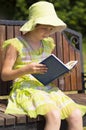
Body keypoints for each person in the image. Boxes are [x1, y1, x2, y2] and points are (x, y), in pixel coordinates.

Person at [1, 1, 86, 130]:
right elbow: (5, 75)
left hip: (48, 89)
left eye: (51, 29)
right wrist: (26, 69)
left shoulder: (47, 44)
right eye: (45, 28)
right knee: (54, 114)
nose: (48, 32)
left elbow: (46, 69)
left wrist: (61, 72)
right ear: (33, 25)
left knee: (76, 114)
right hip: (27, 90)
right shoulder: (16, 44)